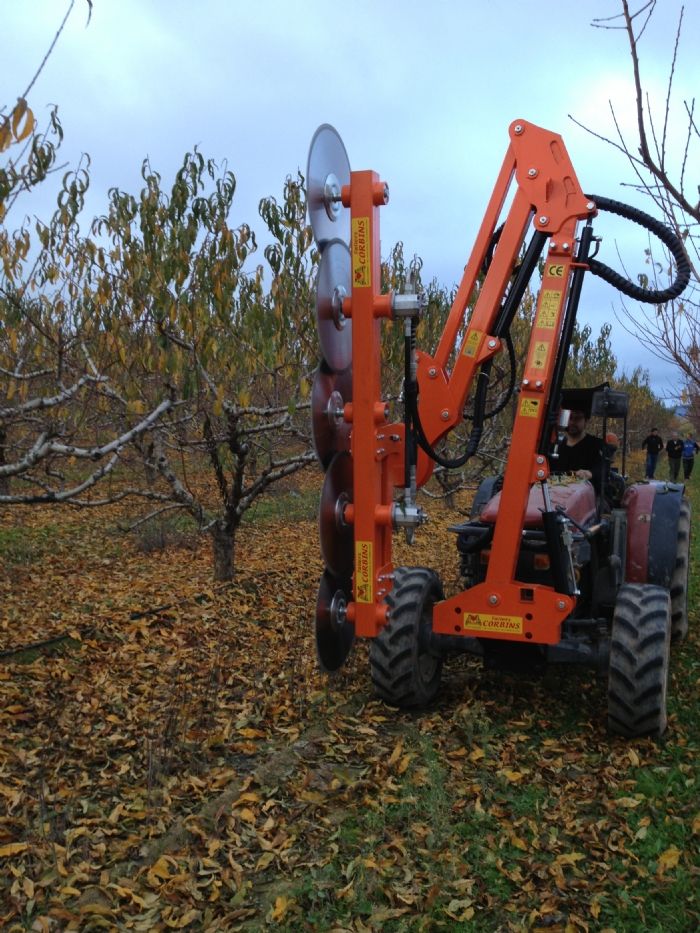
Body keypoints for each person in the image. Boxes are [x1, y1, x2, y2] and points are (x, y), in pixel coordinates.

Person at [553, 408, 605, 488]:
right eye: (569, 418)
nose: (572, 422)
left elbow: (603, 468)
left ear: (586, 421)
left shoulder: (596, 445)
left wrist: (590, 473)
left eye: (577, 418)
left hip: (585, 496)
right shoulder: (554, 445)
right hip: (554, 495)